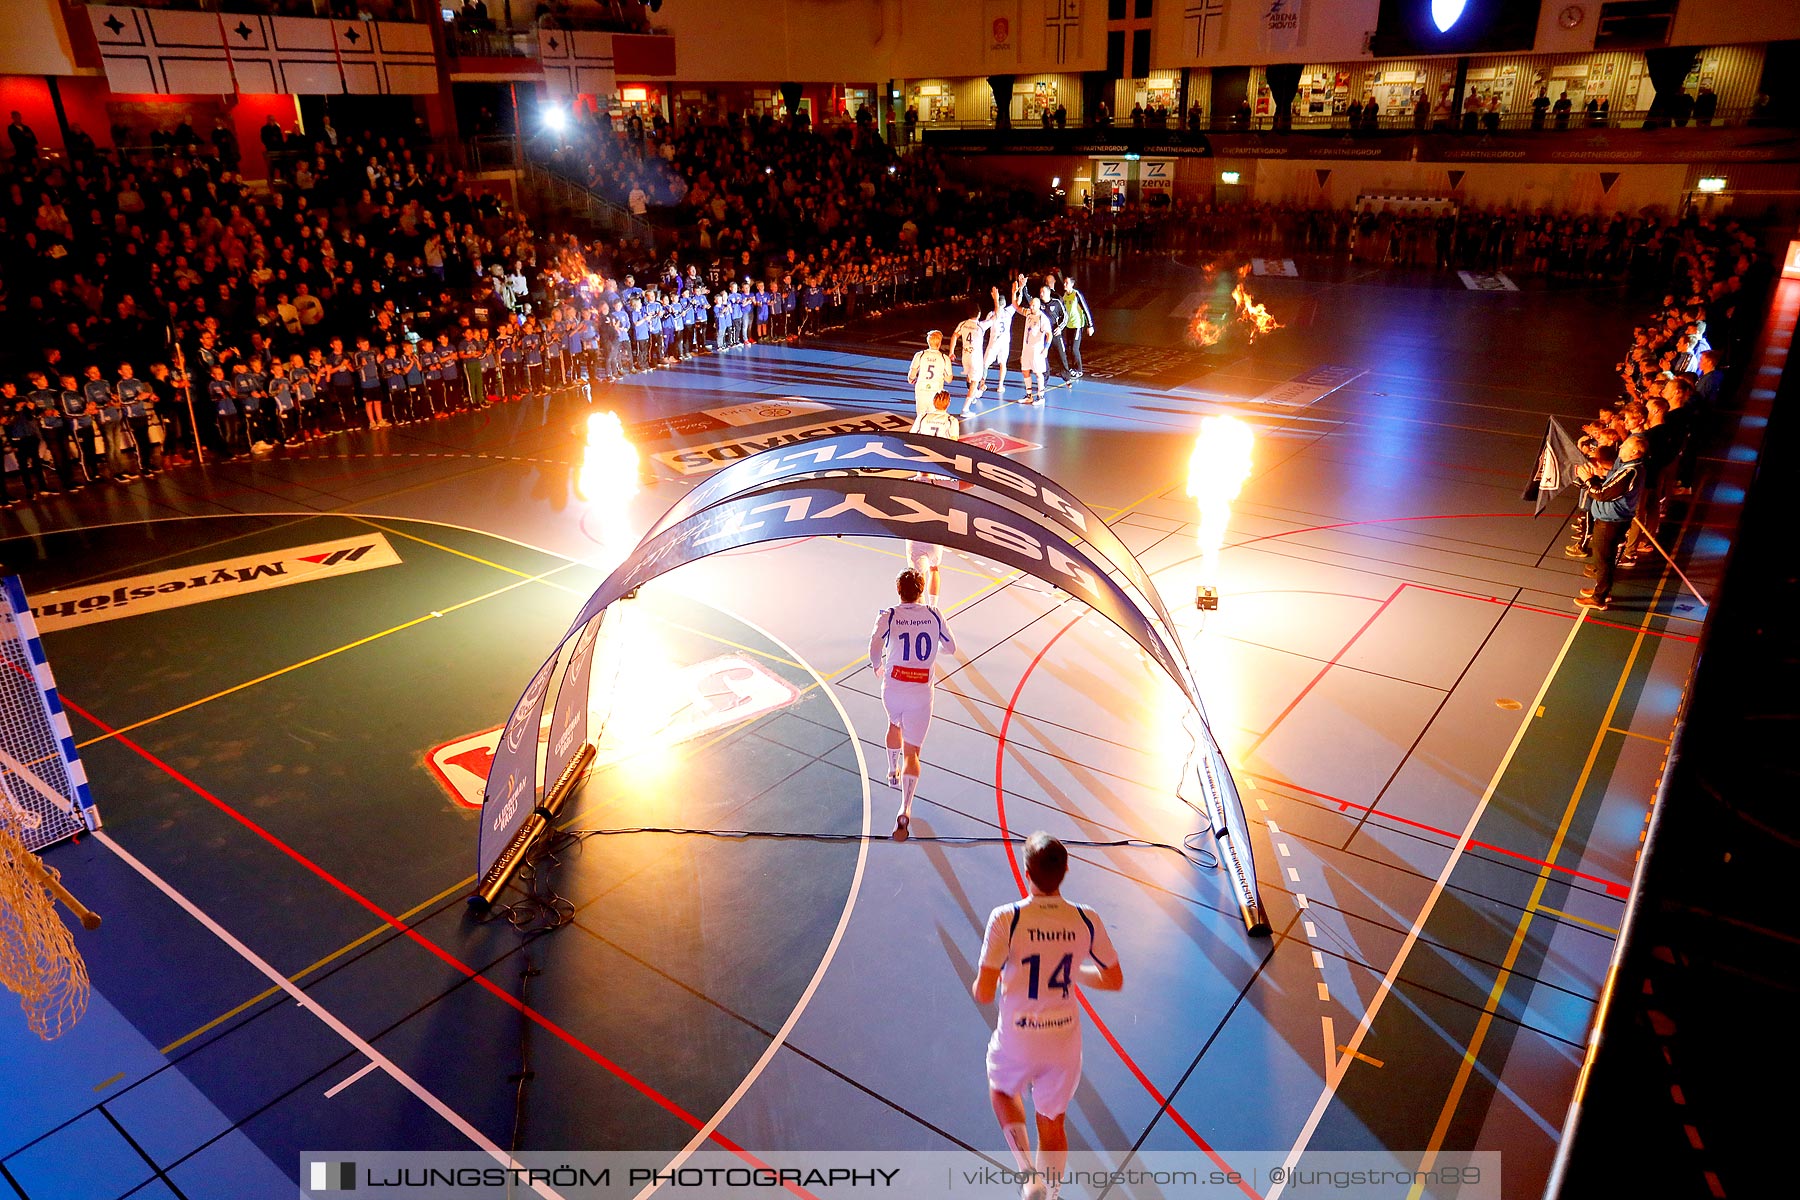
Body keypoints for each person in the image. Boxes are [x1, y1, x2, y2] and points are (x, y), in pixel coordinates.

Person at [974, 832, 1123, 1200]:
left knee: (1002, 1090)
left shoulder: (1006, 919)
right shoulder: (1086, 919)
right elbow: (1113, 979)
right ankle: (1052, 1193)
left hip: (1019, 1038)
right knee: (1053, 1121)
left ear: (1027, 872)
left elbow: (984, 991)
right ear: (1066, 870)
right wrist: (1074, 973)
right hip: (1064, 1041)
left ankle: (1028, 1176)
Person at [867, 568, 957, 840]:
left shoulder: (889, 615)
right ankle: (905, 807)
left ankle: (891, 771)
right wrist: (934, 649)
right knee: (913, 752)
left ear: (899, 592)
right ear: (921, 591)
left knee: (893, 724)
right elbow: (951, 647)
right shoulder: (934, 614)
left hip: (893, 687)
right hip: (920, 692)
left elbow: (873, 644)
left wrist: (877, 665)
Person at [905, 390, 962, 605]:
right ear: (947, 403)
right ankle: (934, 607)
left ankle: (915, 606)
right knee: (935, 567)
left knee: (915, 573)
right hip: (940, 472)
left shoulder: (922, 417)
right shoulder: (950, 421)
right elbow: (954, 446)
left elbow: (910, 439)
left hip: (922, 471)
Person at [1576, 439, 1642, 611]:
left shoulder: (1629, 472)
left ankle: (1599, 598)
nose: (1620, 447)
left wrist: (1589, 479)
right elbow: (1610, 485)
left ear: (1634, 452)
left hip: (1610, 523)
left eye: (1626, 446)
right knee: (1605, 559)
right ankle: (1602, 590)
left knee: (1603, 560)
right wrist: (1601, 475)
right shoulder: (1628, 468)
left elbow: (1602, 494)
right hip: (1612, 521)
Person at [985, 277, 1024, 399]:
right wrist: (1019, 290)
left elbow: (986, 325)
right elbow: (1018, 301)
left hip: (994, 342)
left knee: (985, 365)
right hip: (1005, 342)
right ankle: (1000, 385)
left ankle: (982, 383)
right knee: (1003, 364)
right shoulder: (1009, 312)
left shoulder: (992, 314)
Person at [948, 310, 992, 411]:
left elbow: (954, 336)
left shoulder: (962, 324)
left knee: (969, 375)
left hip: (965, 356)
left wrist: (951, 352)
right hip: (976, 358)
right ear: (979, 314)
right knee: (975, 382)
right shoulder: (980, 325)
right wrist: (995, 300)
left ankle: (974, 394)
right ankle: (965, 408)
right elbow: (996, 317)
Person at [906, 330, 954, 416]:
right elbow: (949, 379)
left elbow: (912, 374)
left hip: (921, 390)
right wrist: (942, 372)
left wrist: (911, 379)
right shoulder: (944, 358)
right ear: (939, 343)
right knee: (934, 416)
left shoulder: (920, 355)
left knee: (920, 417)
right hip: (936, 391)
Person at [1018, 300, 1052, 404]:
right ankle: (1029, 396)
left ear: (1038, 306)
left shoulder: (1043, 318)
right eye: (1030, 305)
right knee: (1025, 371)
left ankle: (1041, 397)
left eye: (1033, 305)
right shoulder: (1028, 313)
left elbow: (1049, 335)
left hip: (1037, 350)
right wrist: (1014, 292)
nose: (1031, 307)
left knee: (1038, 373)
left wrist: (1046, 348)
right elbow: (1016, 307)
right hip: (1026, 348)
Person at [1060, 276, 1093, 379]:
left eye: (1067, 283)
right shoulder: (1064, 296)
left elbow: (1085, 309)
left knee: (1075, 348)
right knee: (1070, 348)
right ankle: (1073, 369)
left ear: (1072, 284)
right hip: (1069, 326)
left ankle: (1079, 370)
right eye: (1064, 283)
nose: (1065, 285)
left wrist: (1090, 325)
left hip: (1077, 325)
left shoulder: (1076, 295)